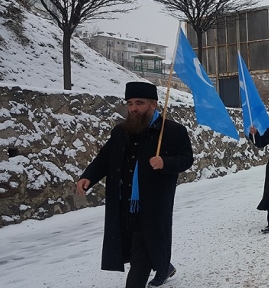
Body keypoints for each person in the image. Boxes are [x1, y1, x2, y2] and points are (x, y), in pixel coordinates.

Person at [76, 82, 194, 288]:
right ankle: (164, 267)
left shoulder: (173, 131)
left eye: (139, 103)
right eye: (130, 103)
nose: (133, 108)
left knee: (140, 256)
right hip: (123, 203)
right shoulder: (121, 131)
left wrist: (165, 162)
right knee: (134, 246)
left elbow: (186, 159)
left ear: (154, 104)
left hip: (152, 205)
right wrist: (89, 176)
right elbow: (105, 158)